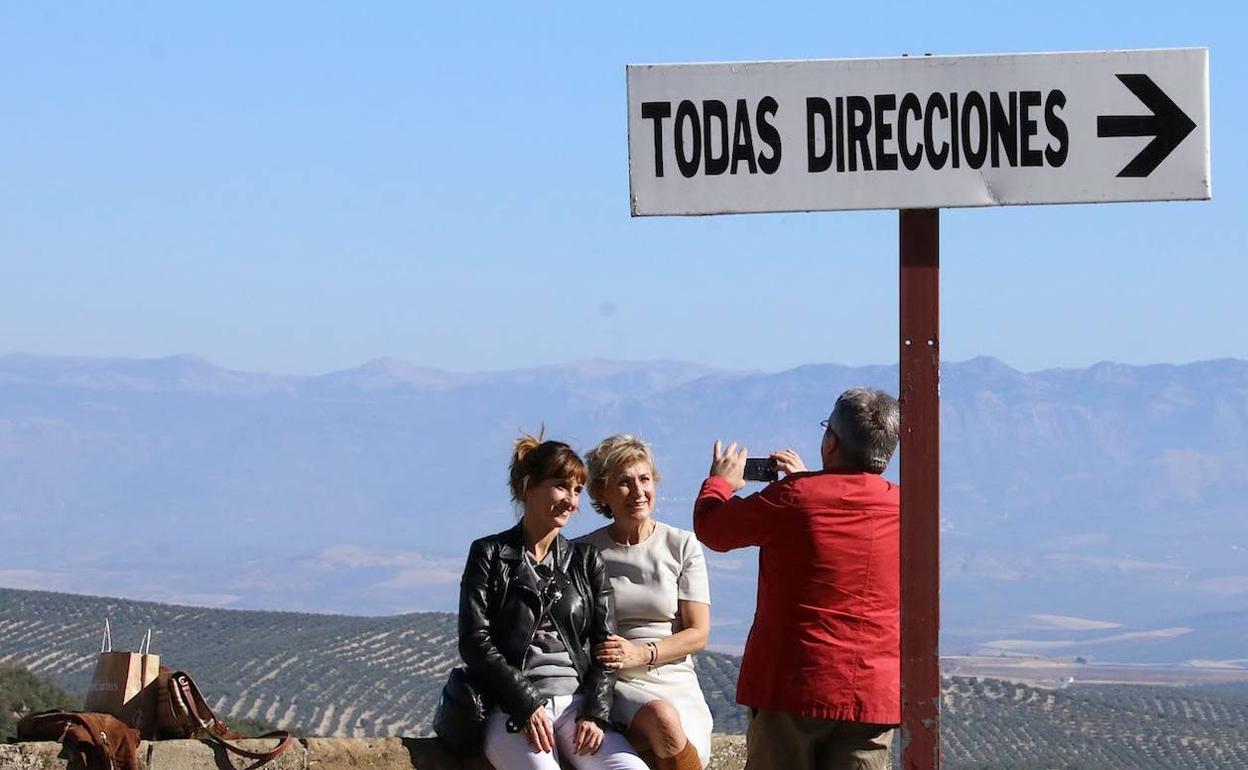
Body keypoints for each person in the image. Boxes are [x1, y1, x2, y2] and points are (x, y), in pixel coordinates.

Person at [692, 388, 902, 770]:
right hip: (870, 692)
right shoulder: (906, 507)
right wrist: (810, 481)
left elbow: (713, 529)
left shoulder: (794, 497)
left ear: (831, 442)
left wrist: (719, 484)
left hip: (792, 685)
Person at [457, 434, 649, 770]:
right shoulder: (490, 554)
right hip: (511, 709)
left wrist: (595, 713)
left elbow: (606, 646)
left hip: (577, 709)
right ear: (529, 485)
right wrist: (525, 702)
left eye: (577, 490)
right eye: (561, 486)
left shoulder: (586, 561)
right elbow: (475, 640)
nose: (571, 501)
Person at [576, 435, 711, 770]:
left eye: (645, 479)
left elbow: (698, 633)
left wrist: (642, 653)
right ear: (601, 493)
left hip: (674, 675)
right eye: (624, 482)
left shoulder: (682, 545)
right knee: (662, 719)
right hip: (615, 680)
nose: (638, 491)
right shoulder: (582, 552)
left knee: (676, 739)